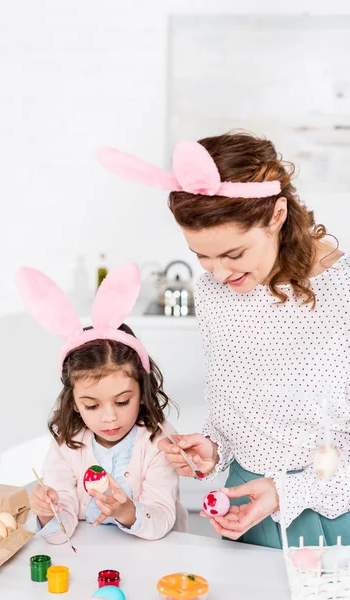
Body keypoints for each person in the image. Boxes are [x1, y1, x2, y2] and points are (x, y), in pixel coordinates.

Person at [98, 132, 350, 548]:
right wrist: (213, 450)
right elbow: (237, 408)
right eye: (202, 255)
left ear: (277, 214)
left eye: (233, 254)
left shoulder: (342, 295)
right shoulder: (216, 293)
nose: (217, 273)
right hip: (244, 509)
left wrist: (288, 492)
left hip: (331, 516)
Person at [16, 262, 188, 543]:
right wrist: (50, 512)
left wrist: (128, 511)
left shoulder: (160, 440)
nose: (109, 418)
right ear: (73, 402)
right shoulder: (66, 443)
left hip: (155, 559)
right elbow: (61, 528)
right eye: (92, 406)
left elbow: (162, 518)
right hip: (90, 556)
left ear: (141, 391)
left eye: (122, 402)